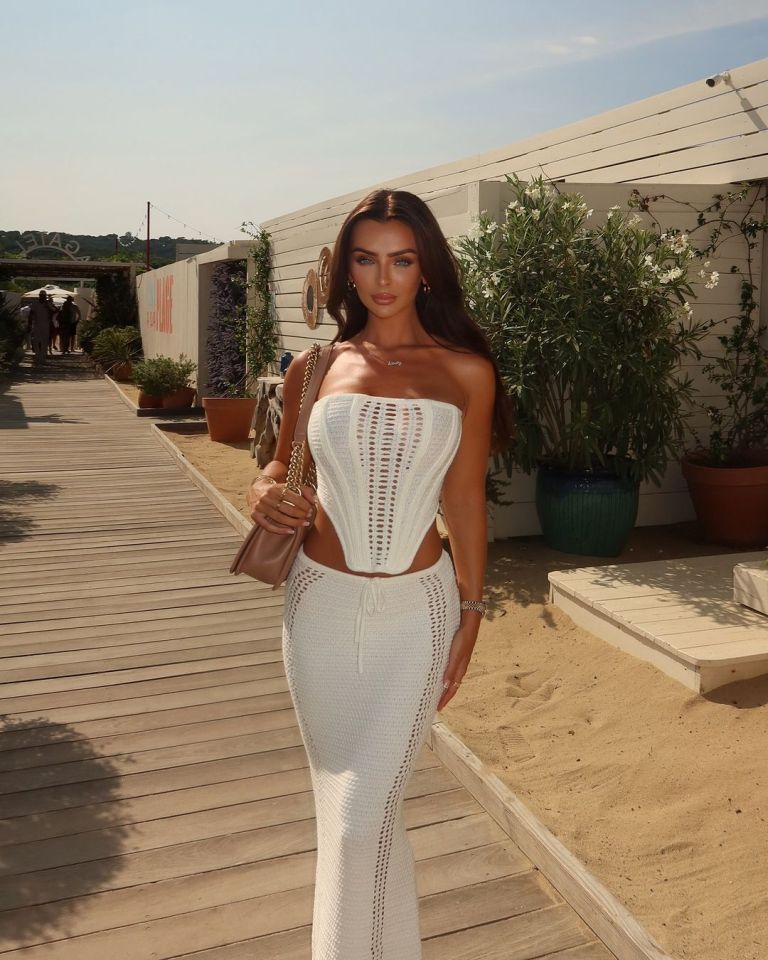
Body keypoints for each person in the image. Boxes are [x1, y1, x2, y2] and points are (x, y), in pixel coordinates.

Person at [245, 189, 515, 959]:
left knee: (365, 817)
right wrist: (263, 492)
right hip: (317, 607)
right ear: (346, 269)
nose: (383, 277)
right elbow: (274, 465)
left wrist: (471, 611)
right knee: (349, 814)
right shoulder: (315, 366)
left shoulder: (466, 371)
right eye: (366, 259)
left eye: (401, 258)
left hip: (417, 613)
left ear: (426, 266)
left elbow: (464, 501)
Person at [27, 291, 53, 365]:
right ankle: (37, 356)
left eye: (44, 296)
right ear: (39, 296)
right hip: (37, 324)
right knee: (36, 341)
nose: (43, 297)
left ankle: (43, 358)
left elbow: (53, 312)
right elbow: (30, 314)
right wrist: (29, 324)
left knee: (44, 342)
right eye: (41, 296)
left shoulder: (48, 304)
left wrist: (48, 306)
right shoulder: (35, 303)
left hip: (46, 325)